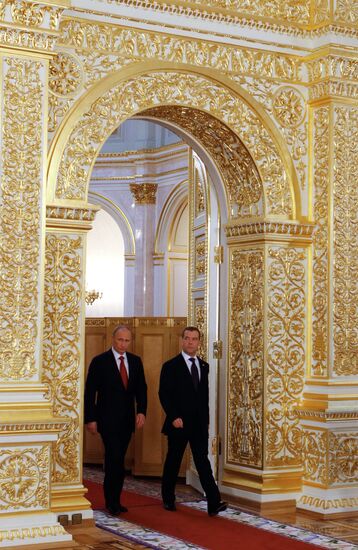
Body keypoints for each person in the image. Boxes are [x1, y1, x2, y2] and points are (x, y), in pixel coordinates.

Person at [159, 326, 227, 516]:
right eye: (187, 338)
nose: (190, 342)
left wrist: (206, 421)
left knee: (203, 462)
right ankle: (168, 499)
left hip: (198, 425)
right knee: (173, 461)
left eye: (194, 339)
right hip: (178, 423)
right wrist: (173, 417)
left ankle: (214, 502)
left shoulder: (204, 366)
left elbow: (203, 398)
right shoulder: (170, 366)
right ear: (182, 340)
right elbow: (164, 394)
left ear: (199, 342)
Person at [84, 325, 147, 515]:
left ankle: (116, 500)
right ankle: (111, 501)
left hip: (127, 420)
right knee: (115, 459)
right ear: (113, 339)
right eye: (120, 340)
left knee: (118, 461)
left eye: (127, 340)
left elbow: (141, 390)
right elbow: (90, 393)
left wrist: (142, 412)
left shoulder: (135, 362)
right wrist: (90, 418)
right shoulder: (100, 361)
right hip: (106, 420)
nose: (123, 344)